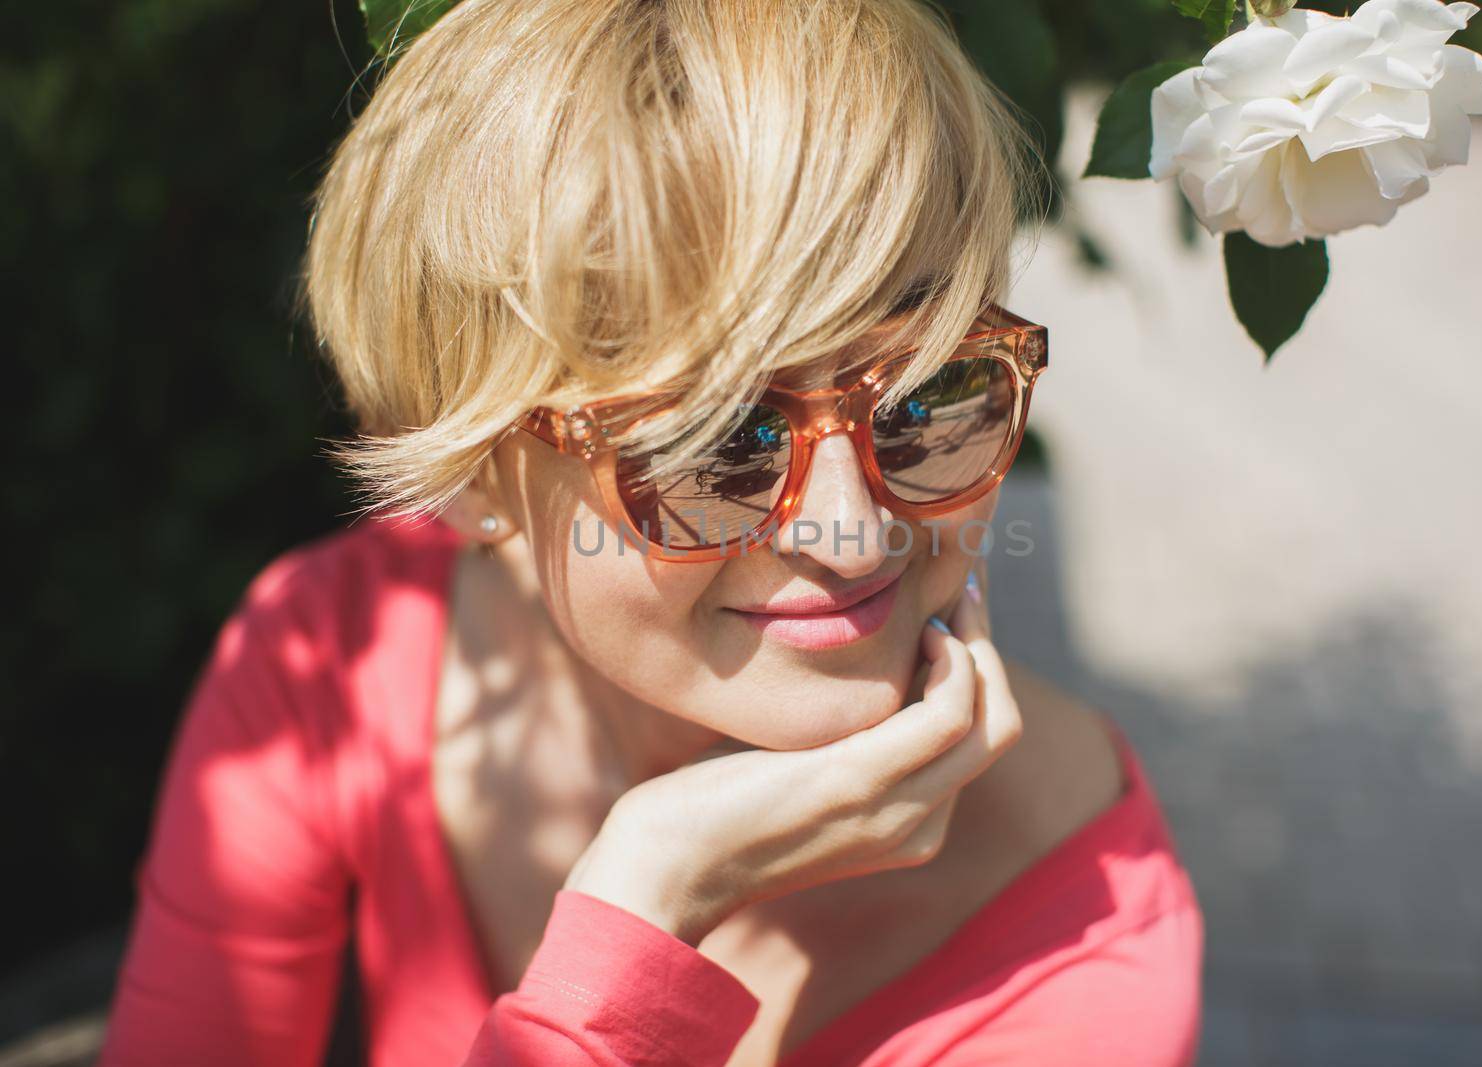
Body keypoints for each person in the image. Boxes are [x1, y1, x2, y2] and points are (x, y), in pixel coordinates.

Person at [98, 1, 1203, 1064]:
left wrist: (628, 935)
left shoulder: (1084, 936)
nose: (853, 532)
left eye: (925, 391)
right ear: (472, 468)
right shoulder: (328, 660)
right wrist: (652, 907)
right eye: (709, 443)